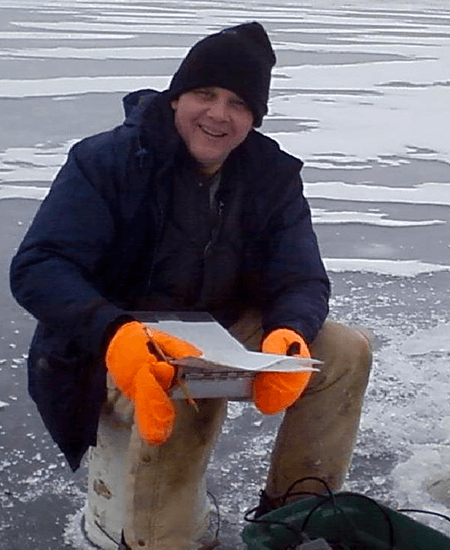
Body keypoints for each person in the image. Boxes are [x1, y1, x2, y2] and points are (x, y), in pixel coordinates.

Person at [9, 22, 372, 550]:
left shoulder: (270, 175)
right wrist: (113, 332)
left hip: (218, 333)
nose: (219, 114)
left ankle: (295, 517)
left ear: (254, 118)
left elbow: (301, 275)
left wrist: (290, 332)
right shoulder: (106, 161)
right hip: (113, 344)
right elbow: (39, 266)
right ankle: (164, 538)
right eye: (205, 94)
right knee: (179, 393)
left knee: (342, 351)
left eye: (239, 103)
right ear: (176, 97)